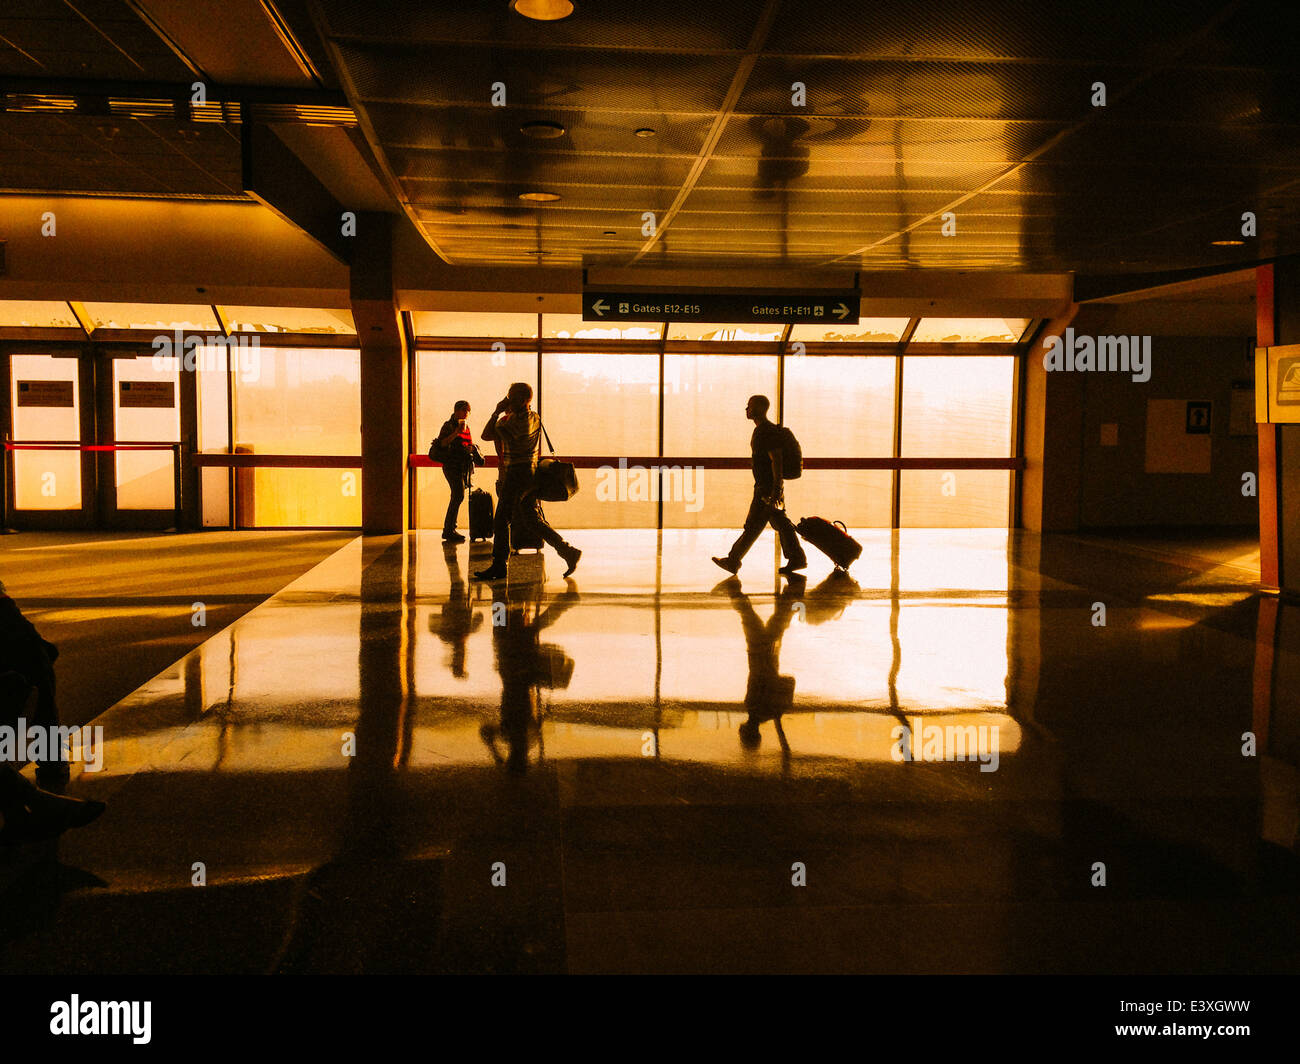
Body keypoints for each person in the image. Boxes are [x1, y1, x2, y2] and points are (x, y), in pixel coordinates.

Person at [473, 382, 581, 582]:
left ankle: (499, 565)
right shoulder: (534, 417)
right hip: (530, 474)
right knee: (533, 520)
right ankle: (568, 552)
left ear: (522, 400)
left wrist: (496, 411)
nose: (508, 400)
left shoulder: (514, 422)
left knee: (501, 520)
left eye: (511, 397)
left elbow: (486, 434)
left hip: (517, 474)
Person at [712, 394, 807, 576]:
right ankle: (797, 558)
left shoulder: (766, 432)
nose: (746, 409)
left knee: (754, 525)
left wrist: (775, 489)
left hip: (766, 487)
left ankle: (733, 560)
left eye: (749, 406)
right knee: (779, 522)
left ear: (756, 409)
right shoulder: (763, 431)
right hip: (769, 486)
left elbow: (776, 460)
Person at [434, 400, 474, 543]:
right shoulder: (449, 426)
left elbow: (467, 444)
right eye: (464, 410)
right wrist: (456, 432)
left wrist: (470, 449)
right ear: (456, 411)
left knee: (457, 496)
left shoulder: (467, 427)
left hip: (461, 466)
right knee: (458, 495)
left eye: (468, 411)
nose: (466, 414)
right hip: (451, 466)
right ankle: (449, 529)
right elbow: (442, 443)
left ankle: (450, 528)